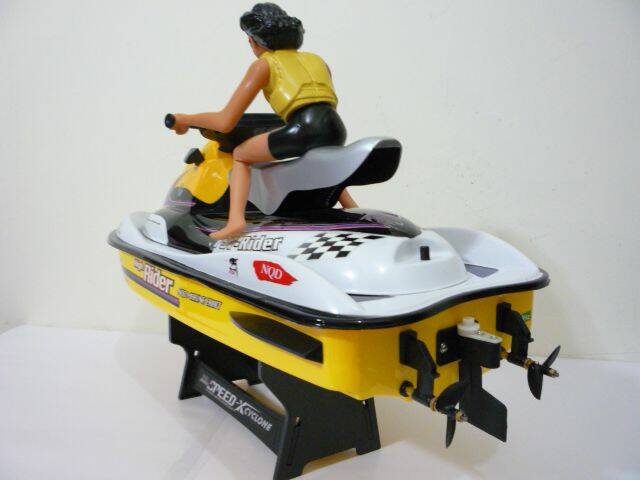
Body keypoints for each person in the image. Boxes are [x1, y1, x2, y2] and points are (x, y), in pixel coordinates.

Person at [169, 3, 358, 239]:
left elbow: (225, 122)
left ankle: (235, 222)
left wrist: (184, 119)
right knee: (319, 156)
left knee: (241, 154)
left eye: (249, 40)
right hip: (335, 128)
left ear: (255, 41)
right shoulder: (318, 61)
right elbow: (320, 103)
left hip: (303, 128)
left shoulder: (265, 64)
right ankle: (351, 208)